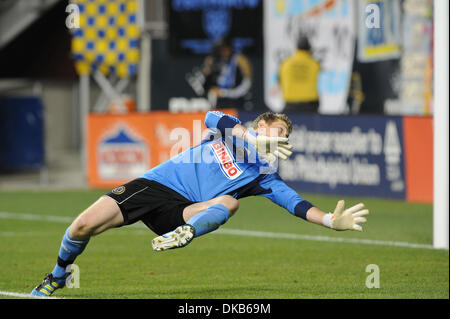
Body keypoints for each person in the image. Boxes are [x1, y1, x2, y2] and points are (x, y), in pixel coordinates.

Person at [30, 110, 369, 297]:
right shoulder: (230, 131)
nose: (280, 137)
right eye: (276, 129)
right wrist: (249, 137)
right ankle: (57, 277)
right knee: (81, 226)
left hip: (184, 214)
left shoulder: (264, 176)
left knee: (229, 203)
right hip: (155, 186)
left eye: (284, 136)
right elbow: (210, 116)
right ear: (260, 125)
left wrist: (329, 221)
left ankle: (185, 234)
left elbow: (295, 204)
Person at [201, 37, 252, 109]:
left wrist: (224, 93)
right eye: (220, 50)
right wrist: (207, 72)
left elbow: (246, 84)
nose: (223, 52)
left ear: (230, 48)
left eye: (224, 49)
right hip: (219, 104)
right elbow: (207, 87)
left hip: (236, 103)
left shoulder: (240, 60)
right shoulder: (215, 61)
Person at [279, 35, 320, 113]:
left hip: (290, 105)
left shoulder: (285, 63)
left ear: (296, 47)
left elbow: (280, 82)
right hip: (309, 106)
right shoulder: (314, 64)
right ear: (309, 47)